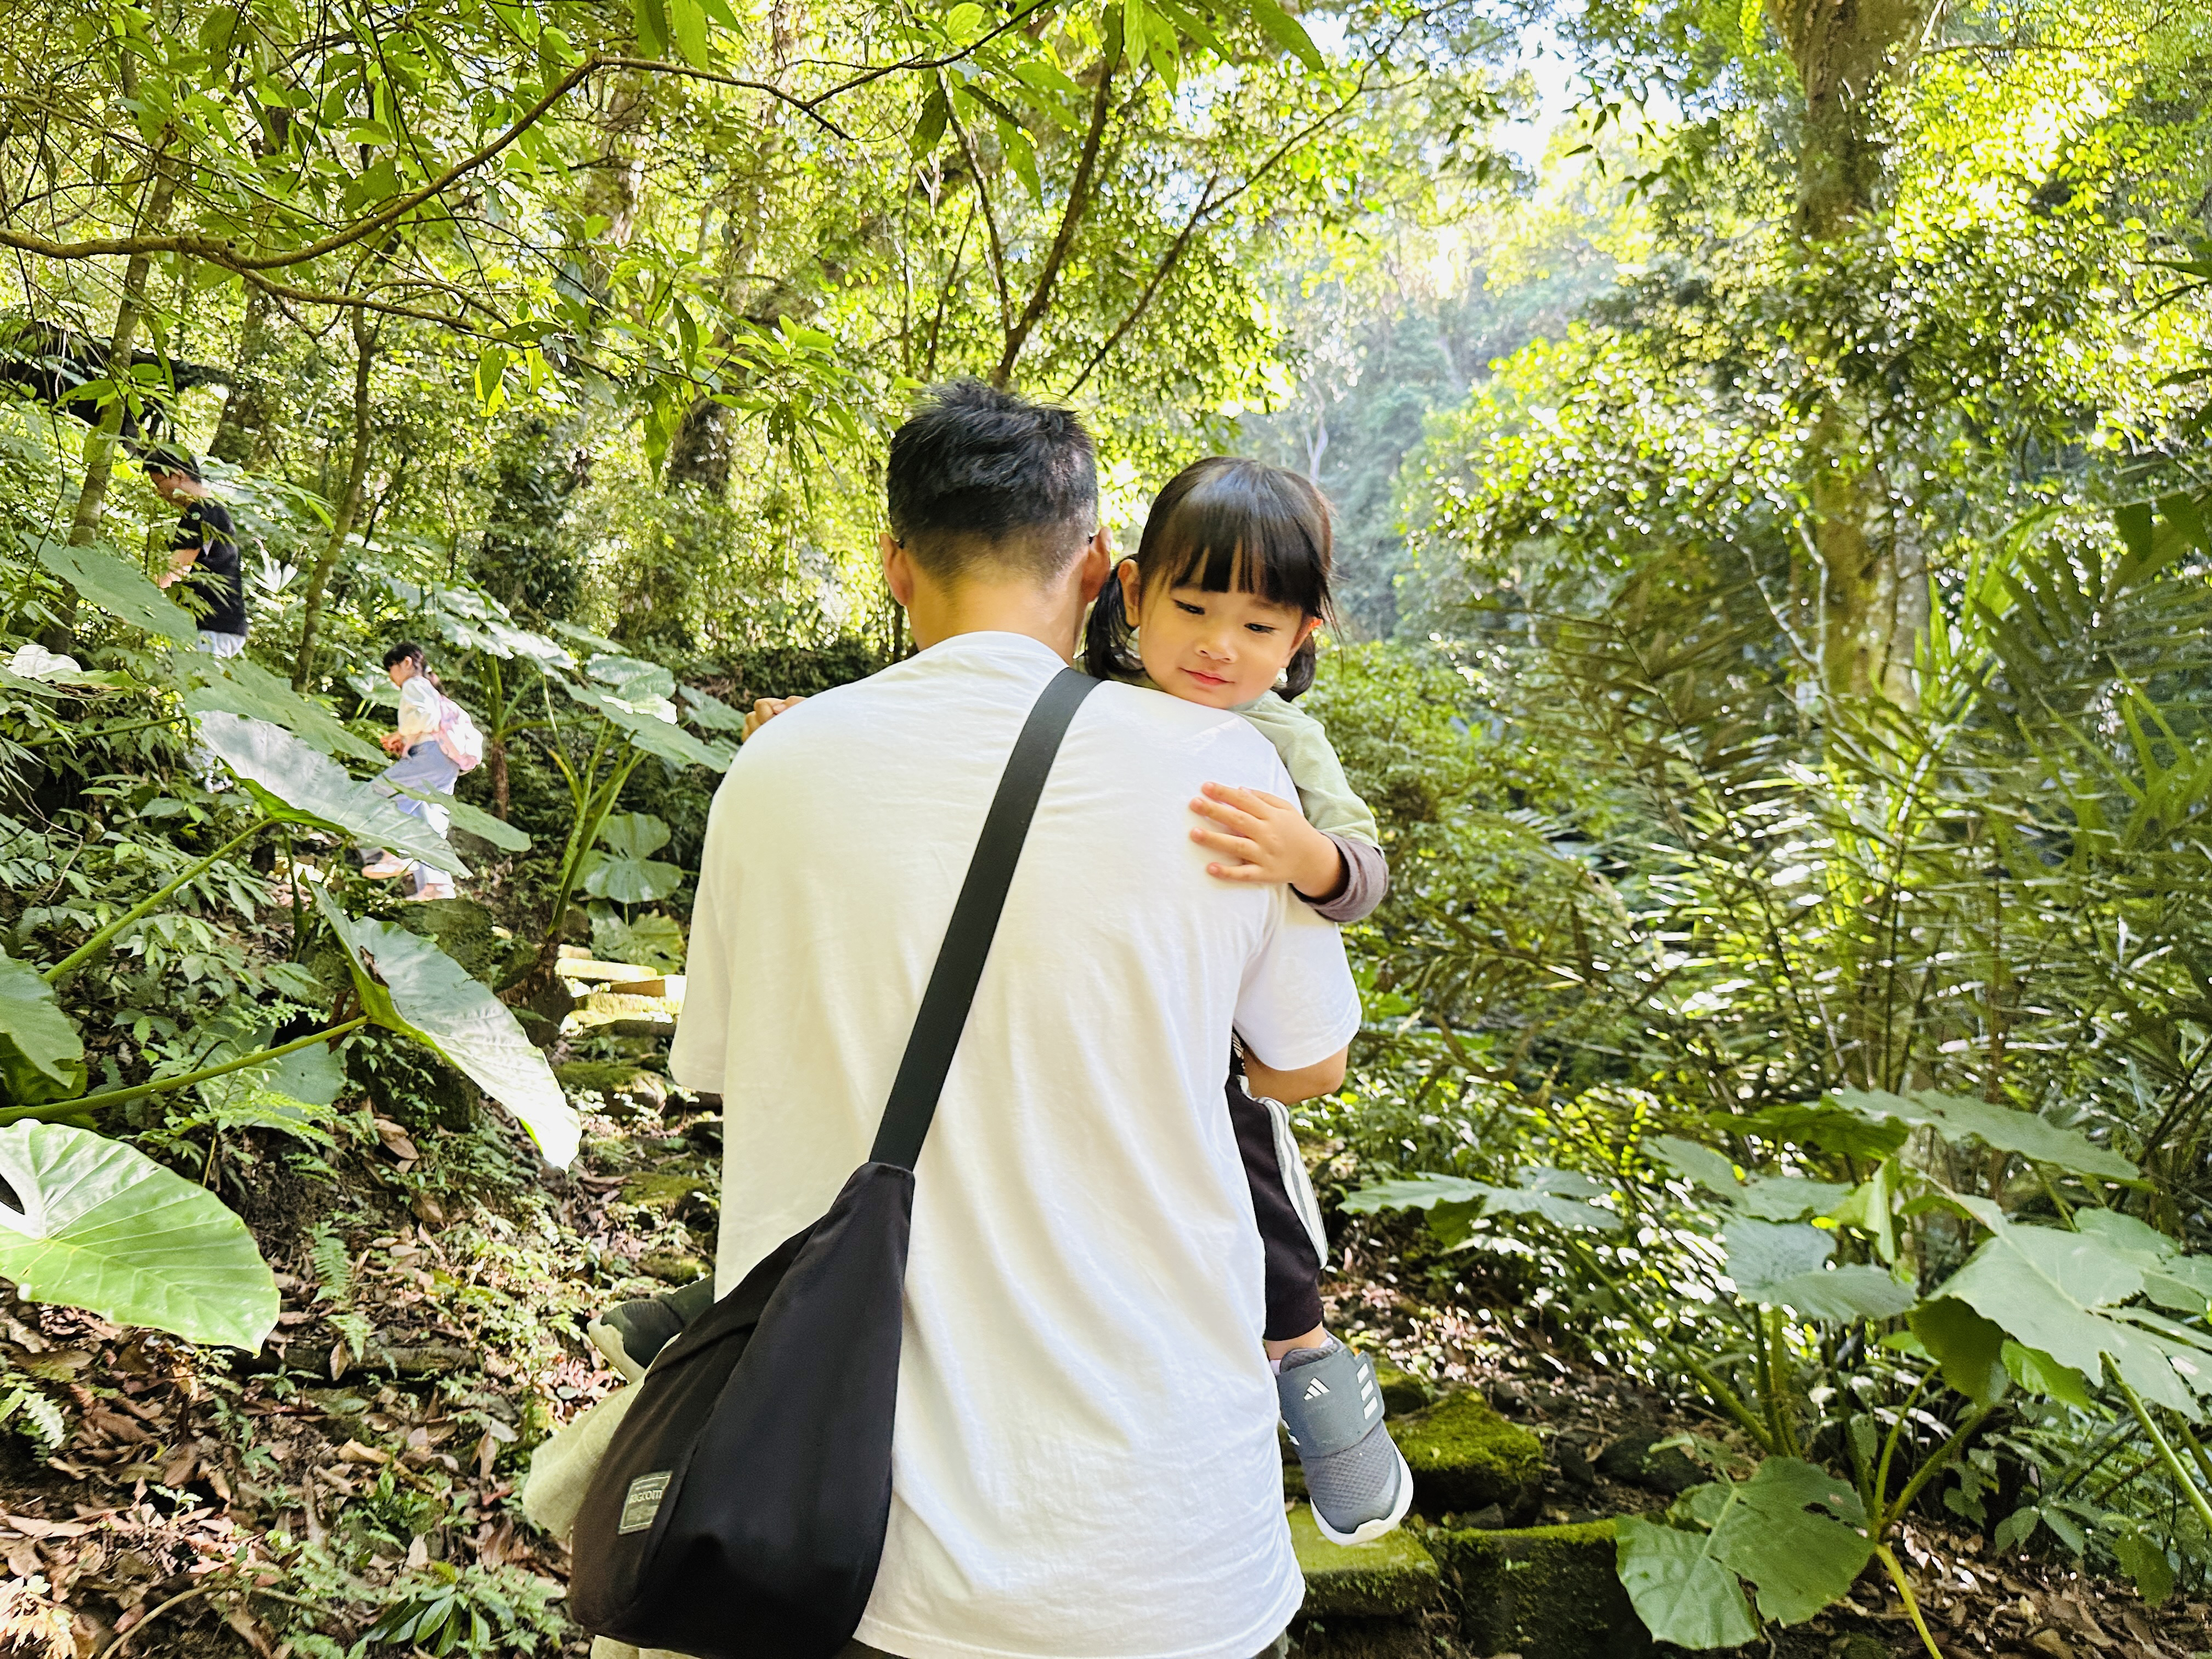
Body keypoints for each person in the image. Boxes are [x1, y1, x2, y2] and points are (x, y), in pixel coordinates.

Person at [667, 381, 1362, 1659]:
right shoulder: (1227, 775)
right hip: (1156, 1532)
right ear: (1104, 569)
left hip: (841, 1536)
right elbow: (1306, 1070)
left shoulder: (777, 766)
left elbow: (724, 1067)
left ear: (894, 564)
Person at [362, 641, 467, 900]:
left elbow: (424, 718)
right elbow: (427, 722)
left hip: (429, 756)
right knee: (429, 815)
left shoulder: (414, 684)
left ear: (406, 663)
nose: (391, 676)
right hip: (445, 759)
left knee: (378, 793)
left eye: (391, 668)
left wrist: (403, 733)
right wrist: (402, 737)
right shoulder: (429, 688)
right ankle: (437, 885)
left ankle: (394, 855)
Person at [146, 447, 246, 658]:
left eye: (159, 484)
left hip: (211, 628)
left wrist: (141, 602)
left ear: (178, 475)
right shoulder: (215, 510)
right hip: (220, 625)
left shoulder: (199, 513)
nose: (158, 492)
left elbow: (177, 570)